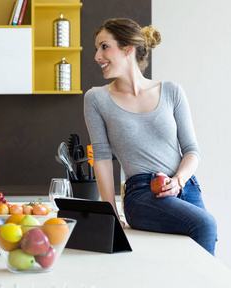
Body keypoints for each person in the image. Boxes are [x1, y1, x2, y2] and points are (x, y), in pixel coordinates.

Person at [84, 18, 217, 255]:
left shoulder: (171, 91)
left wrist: (178, 181)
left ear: (128, 49)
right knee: (205, 224)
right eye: (97, 49)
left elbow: (191, 150)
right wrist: (111, 212)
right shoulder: (96, 99)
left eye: (104, 47)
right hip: (141, 193)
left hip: (184, 186)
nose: (97, 56)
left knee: (202, 241)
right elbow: (102, 158)